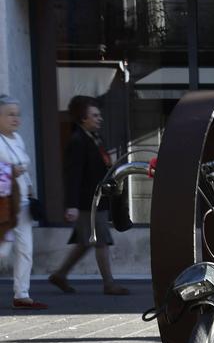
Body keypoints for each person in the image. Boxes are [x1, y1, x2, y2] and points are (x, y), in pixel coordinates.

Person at [48, 96, 128, 296]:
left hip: (98, 199)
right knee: (101, 240)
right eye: (95, 115)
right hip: (88, 202)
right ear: (83, 118)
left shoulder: (95, 138)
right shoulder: (77, 142)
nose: (99, 118)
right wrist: (72, 205)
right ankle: (109, 284)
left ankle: (60, 274)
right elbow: (72, 176)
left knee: (86, 242)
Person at [0, 95, 48, 309]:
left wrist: (29, 187)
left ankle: (22, 293)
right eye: (10, 114)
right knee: (3, 251)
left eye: (17, 114)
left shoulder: (17, 139)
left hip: (22, 204)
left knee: (25, 249)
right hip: (4, 206)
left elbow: (24, 168)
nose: (15, 118)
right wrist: (10, 171)